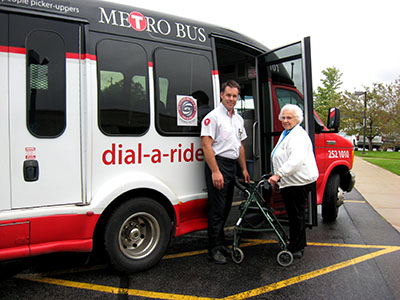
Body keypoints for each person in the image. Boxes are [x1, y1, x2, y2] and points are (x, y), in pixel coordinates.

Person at [201, 80, 250, 264]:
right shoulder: (213, 117)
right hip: (218, 165)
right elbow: (206, 145)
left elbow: (240, 146)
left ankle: (221, 244)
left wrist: (244, 168)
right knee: (217, 209)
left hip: (232, 166)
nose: (231, 99)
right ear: (221, 95)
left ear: (237, 98)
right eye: (228, 95)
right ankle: (213, 249)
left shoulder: (237, 118)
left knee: (227, 207)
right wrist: (215, 171)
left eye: (234, 96)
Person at [268, 104, 318, 259]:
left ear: (298, 119)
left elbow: (295, 160)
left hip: (298, 182)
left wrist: (278, 175)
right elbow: (282, 156)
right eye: (283, 117)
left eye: (289, 117)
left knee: (296, 215)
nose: (285, 120)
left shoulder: (298, 136)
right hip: (290, 181)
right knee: (294, 214)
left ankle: (296, 248)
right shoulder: (287, 133)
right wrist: (275, 172)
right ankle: (296, 243)